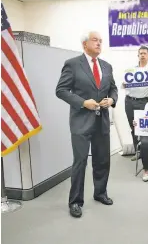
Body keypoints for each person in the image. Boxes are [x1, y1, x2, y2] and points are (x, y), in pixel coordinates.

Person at [55, 31, 118, 218]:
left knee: (102, 160)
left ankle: (100, 193)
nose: (99, 43)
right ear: (84, 44)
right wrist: (83, 102)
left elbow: (113, 88)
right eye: (95, 40)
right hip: (81, 121)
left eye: (101, 41)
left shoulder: (107, 66)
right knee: (80, 161)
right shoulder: (73, 64)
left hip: (102, 121)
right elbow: (61, 90)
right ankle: (75, 201)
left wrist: (112, 100)